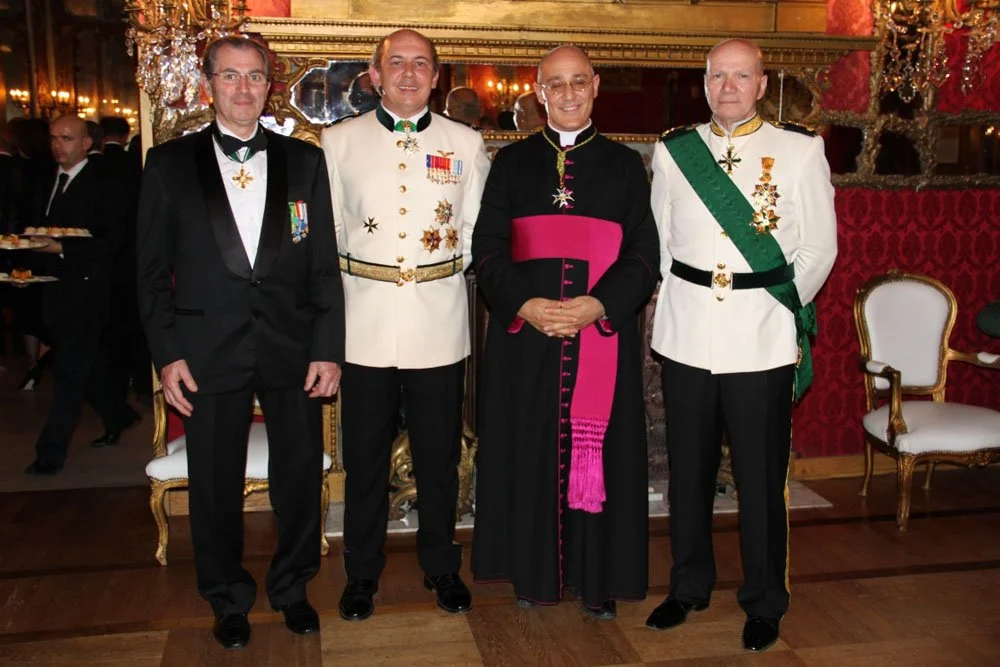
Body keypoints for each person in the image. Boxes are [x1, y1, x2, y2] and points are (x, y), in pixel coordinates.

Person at [136, 35, 345, 649]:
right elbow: (150, 274)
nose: (243, 87)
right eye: (230, 76)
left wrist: (327, 347)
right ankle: (226, 597)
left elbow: (323, 266)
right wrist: (167, 355)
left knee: (299, 475)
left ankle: (292, 587)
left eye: (254, 75)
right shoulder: (168, 164)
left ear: (269, 85)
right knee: (214, 482)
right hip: (206, 350)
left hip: (293, 346)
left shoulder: (304, 161)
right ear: (209, 86)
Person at [647, 38, 837, 652]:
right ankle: (688, 586)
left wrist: (778, 305)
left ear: (762, 84)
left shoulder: (800, 150)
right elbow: (660, 244)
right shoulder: (674, 151)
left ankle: (764, 600)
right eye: (717, 76)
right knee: (688, 473)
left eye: (741, 76)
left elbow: (819, 249)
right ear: (704, 83)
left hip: (761, 337)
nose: (728, 87)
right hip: (687, 335)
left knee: (759, 478)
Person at [471, 44, 659, 620]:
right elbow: (487, 248)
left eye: (580, 81)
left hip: (600, 334)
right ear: (539, 90)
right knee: (527, 450)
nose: (569, 93)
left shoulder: (626, 165)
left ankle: (598, 579)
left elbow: (643, 256)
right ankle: (532, 575)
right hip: (526, 340)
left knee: (602, 454)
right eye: (557, 83)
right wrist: (526, 305)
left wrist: (598, 305)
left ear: (596, 85)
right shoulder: (510, 163)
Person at [320, 28, 490, 622]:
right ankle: (361, 574)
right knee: (364, 458)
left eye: (421, 64)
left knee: (439, 456)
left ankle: (442, 566)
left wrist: (440, 271)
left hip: (437, 322)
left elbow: (477, 229)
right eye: (397, 63)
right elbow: (328, 231)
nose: (409, 73)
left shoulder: (464, 142)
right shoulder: (338, 142)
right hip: (363, 322)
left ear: (436, 77)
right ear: (375, 75)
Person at [24, 114, 138, 475]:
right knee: (87, 363)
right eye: (54, 138)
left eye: (67, 138)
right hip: (52, 287)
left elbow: (113, 239)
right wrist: (26, 271)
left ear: (87, 143)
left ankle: (50, 453)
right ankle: (118, 414)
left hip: (89, 288)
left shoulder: (105, 183)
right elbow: (33, 230)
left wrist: (62, 248)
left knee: (69, 371)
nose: (58, 145)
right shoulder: (46, 178)